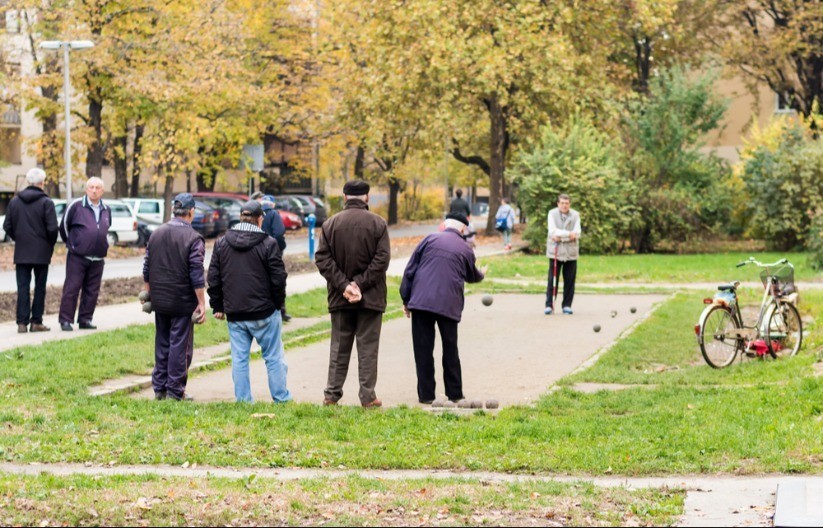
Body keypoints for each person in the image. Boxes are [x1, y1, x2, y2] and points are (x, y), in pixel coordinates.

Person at [315, 179, 390, 408]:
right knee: (367, 348)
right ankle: (368, 397)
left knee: (339, 347)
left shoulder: (330, 225)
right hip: (371, 298)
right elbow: (382, 259)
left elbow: (322, 259)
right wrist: (360, 285)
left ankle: (331, 395)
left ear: (345, 197)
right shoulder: (378, 224)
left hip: (340, 298)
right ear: (367, 197)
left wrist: (344, 286)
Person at [208, 200, 290, 403]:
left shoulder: (221, 243)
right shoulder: (269, 243)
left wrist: (218, 305)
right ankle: (281, 398)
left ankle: (243, 400)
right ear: (260, 220)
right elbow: (278, 278)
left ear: (241, 218)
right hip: (264, 312)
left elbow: (213, 277)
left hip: (235, 313)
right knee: (273, 358)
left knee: (239, 359)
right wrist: (277, 304)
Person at [400, 213, 485, 404]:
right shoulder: (465, 248)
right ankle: (454, 393)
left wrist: (406, 299)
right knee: (450, 348)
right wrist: (482, 274)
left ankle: (426, 395)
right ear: (463, 229)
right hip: (448, 304)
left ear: (444, 225)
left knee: (423, 350)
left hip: (421, 303)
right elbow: (471, 275)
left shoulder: (429, 239)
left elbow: (410, 270)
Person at [142, 193, 206, 401]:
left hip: (160, 299)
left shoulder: (156, 233)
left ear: (173, 211)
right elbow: (196, 273)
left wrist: (148, 292)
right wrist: (201, 303)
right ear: (191, 212)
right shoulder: (193, 238)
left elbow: (147, 267)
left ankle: (159, 388)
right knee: (180, 345)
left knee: (162, 342)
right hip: (182, 301)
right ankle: (175, 391)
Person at [3, 168, 58, 333]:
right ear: (42, 183)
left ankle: (21, 323)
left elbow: (7, 226)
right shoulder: (47, 203)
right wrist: (49, 244)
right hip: (42, 253)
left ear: (28, 182)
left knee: (23, 287)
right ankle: (36, 322)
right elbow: (53, 229)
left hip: (22, 252)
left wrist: (19, 238)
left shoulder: (14, 202)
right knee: (40, 287)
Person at [58, 177, 111, 331]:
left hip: (98, 257)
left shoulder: (106, 209)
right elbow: (64, 227)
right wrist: (74, 245)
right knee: (72, 288)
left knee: (92, 290)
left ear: (102, 191)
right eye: (91, 187)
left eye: (97, 188)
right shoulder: (75, 206)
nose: (94, 190)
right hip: (78, 256)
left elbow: (105, 228)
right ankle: (66, 320)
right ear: (86, 189)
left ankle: (85, 319)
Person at [544, 193, 581, 315]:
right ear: (558, 204)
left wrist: (561, 237)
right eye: (562, 203)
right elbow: (552, 232)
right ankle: (549, 305)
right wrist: (568, 235)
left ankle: (567, 305)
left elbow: (577, 233)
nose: (565, 205)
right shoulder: (552, 213)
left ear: (569, 204)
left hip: (571, 252)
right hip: (555, 252)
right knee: (552, 279)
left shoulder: (575, 215)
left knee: (570, 280)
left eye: (567, 203)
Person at [259, 194, 290, 322]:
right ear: (273, 204)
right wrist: (280, 247)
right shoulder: (273, 214)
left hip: (258, 253)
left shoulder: (257, 215)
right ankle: (280, 310)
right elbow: (279, 232)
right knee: (278, 280)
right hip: (273, 253)